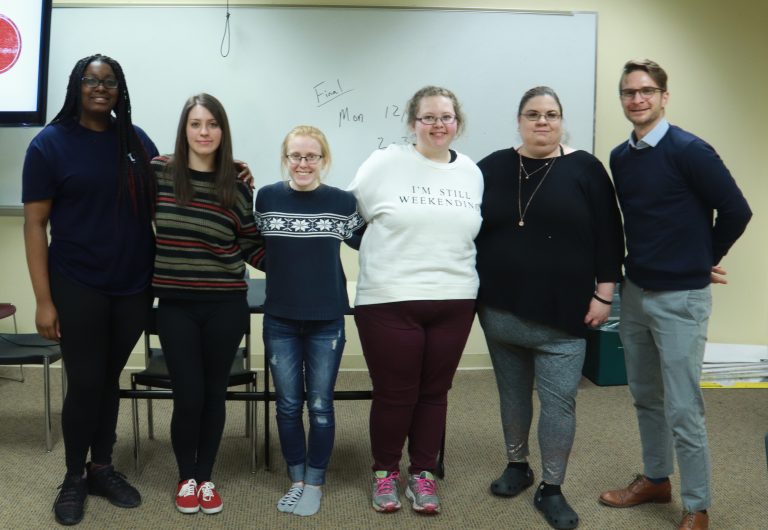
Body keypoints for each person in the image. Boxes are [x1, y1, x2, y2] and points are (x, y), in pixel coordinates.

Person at [598, 59, 751, 530]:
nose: (637, 99)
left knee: (684, 407)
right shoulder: (620, 157)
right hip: (635, 294)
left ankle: (697, 506)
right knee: (645, 395)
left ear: (664, 96)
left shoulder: (690, 150)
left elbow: (736, 210)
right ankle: (655, 479)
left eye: (646, 90)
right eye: (629, 92)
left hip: (681, 299)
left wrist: (702, 259)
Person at [474, 86, 624, 530]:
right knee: (512, 396)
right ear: (519, 120)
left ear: (561, 120)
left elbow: (610, 236)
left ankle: (552, 488)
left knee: (559, 405)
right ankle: (517, 466)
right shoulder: (491, 167)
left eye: (551, 114)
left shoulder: (586, 169)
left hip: (564, 315)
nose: (542, 121)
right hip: (500, 310)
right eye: (533, 114)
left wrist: (605, 294)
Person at [22, 54, 158, 526]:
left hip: (133, 284)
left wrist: (230, 169)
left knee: (108, 377)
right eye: (91, 79)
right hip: (77, 282)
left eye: (110, 81)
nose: (101, 87)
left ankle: (102, 467)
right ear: (76, 86)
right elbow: (34, 225)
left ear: (120, 90)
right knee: (84, 381)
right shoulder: (49, 144)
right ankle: (73, 476)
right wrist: (44, 301)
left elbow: (173, 186)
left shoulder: (136, 140)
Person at [347, 86, 483, 515]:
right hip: (389, 298)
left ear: (457, 123)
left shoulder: (471, 172)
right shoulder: (384, 163)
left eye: (446, 117)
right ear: (413, 123)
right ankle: (385, 473)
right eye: (428, 117)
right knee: (395, 393)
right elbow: (349, 220)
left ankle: (423, 474)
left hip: (455, 299)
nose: (438, 124)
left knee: (435, 392)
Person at [151, 93, 264, 516]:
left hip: (225, 304)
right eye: (196, 124)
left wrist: (299, 258)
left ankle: (205, 476)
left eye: (212, 124)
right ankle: (186, 477)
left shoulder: (237, 186)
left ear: (222, 130)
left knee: (215, 393)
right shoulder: (159, 173)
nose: (204, 132)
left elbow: (251, 246)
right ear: (184, 130)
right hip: (176, 305)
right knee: (188, 395)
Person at [254, 125, 364, 517]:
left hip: (326, 321)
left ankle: (315, 481)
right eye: (295, 156)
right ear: (285, 159)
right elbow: (254, 246)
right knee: (287, 405)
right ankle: (296, 478)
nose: (303, 163)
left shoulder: (342, 202)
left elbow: (371, 241)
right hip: (280, 320)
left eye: (311, 156)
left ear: (323, 159)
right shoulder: (267, 197)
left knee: (319, 405)